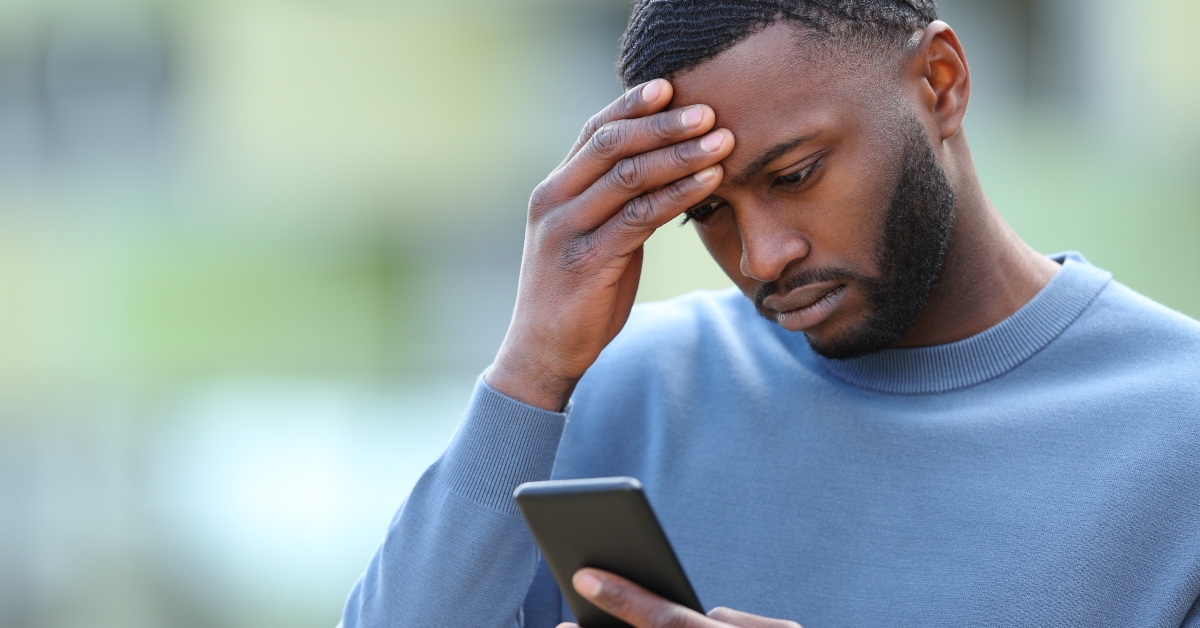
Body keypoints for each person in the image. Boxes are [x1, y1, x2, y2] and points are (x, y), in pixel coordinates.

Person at [341, 1, 1200, 626]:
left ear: (940, 83)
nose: (763, 258)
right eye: (707, 211)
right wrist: (530, 370)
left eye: (793, 176)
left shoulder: (1178, 421)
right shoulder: (634, 389)